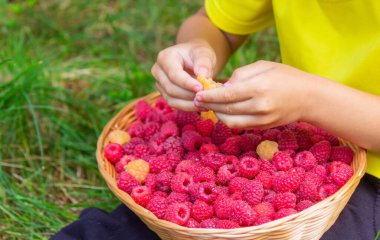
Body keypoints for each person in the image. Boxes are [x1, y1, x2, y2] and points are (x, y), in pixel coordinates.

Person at [53, 1, 380, 239]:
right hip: (287, 130)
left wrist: (310, 98)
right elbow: (215, 24)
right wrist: (198, 50)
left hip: (366, 167)